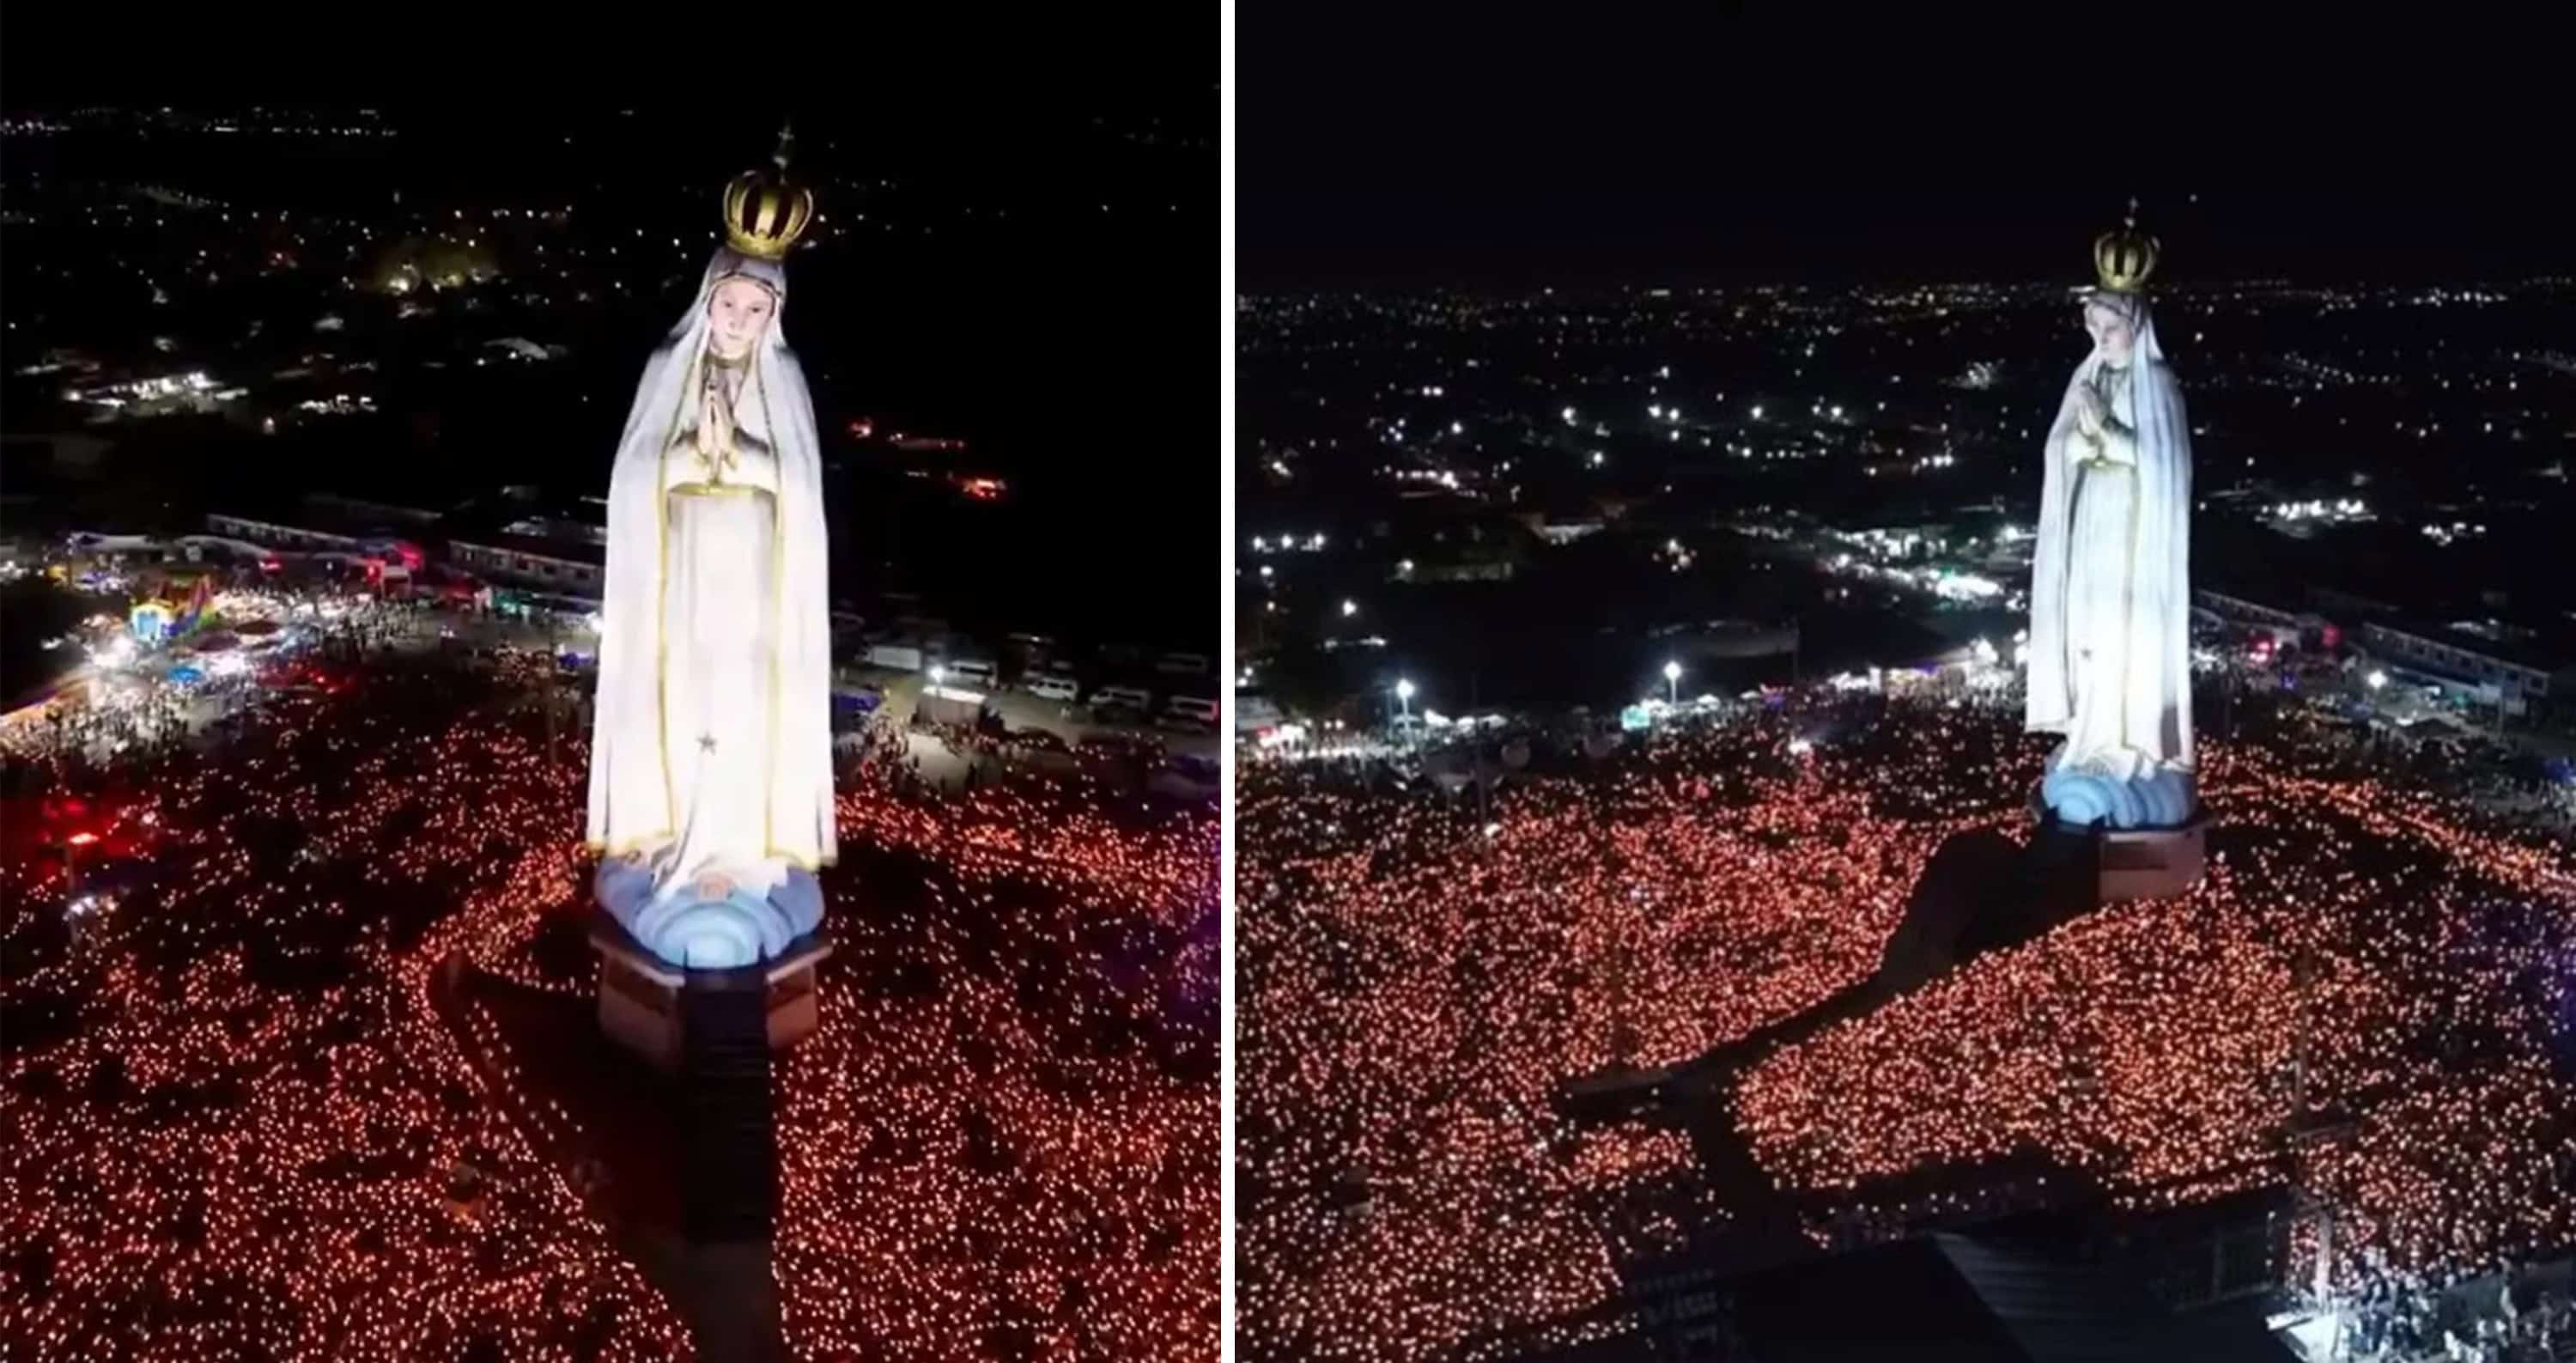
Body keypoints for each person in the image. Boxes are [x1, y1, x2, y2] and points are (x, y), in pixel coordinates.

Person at [586, 132, 832, 968]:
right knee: (681, 709)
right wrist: (696, 455)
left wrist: (747, 456)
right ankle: (675, 841)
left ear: (774, 314)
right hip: (680, 582)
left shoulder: (783, 381)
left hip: (752, 588)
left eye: (755, 310)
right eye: (729, 304)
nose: (738, 320)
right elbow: (634, 477)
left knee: (741, 716)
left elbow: (799, 491)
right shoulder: (669, 366)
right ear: (708, 296)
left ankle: (734, 851)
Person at [2025, 205, 2195, 829]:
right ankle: (2090, 732)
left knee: (2123, 631)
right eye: (2095, 325)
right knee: (2088, 630)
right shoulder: (2087, 378)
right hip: (2090, 517)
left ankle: (2125, 740)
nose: (2101, 337)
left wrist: (2110, 434)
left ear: (2136, 325)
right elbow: (2060, 447)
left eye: (2111, 326)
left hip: (2131, 532)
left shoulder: (2159, 384)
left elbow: (2164, 466)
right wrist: (2084, 438)